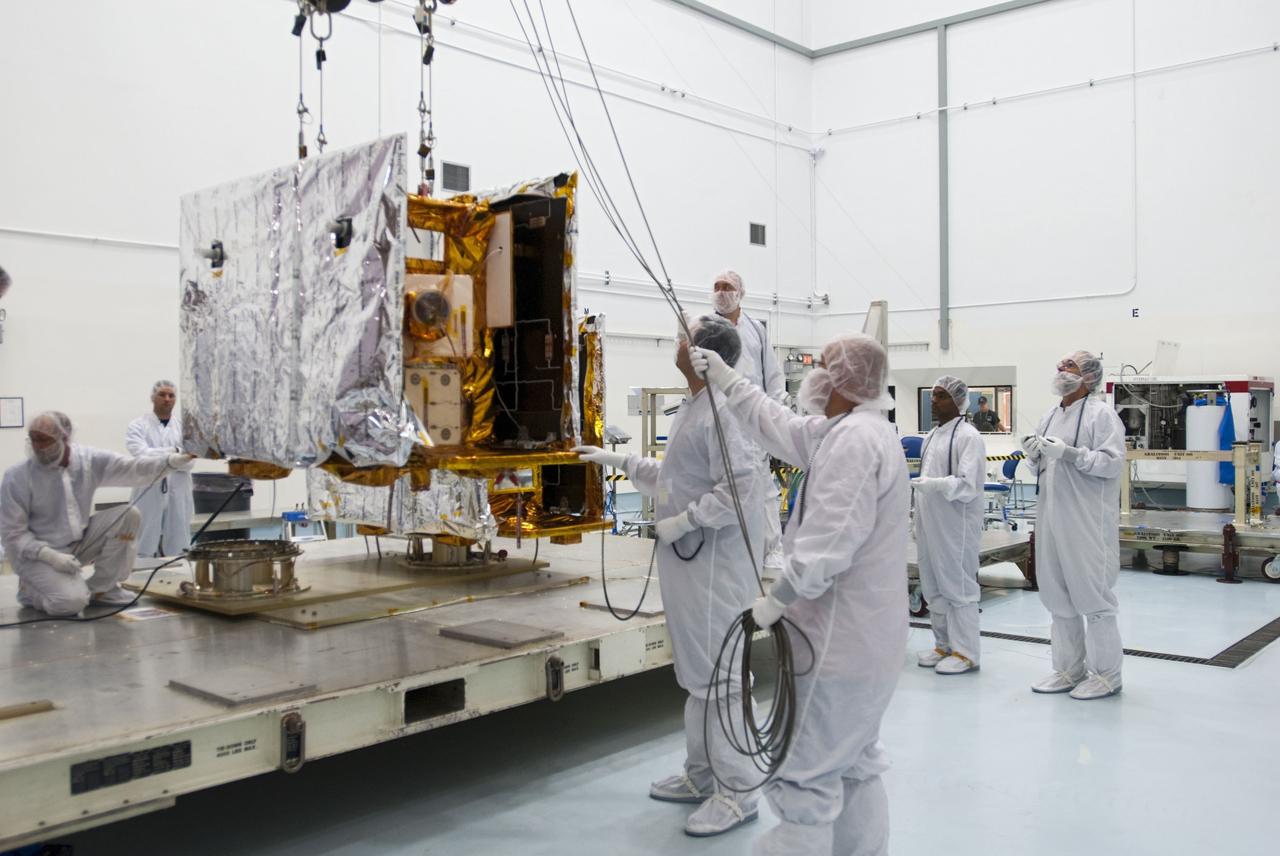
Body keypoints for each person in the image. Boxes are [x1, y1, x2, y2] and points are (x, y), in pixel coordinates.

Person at [690, 332, 907, 856]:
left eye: (823, 366)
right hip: (868, 641)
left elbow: (829, 545)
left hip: (839, 640)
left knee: (804, 777)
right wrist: (726, 377)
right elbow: (779, 425)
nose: (814, 373)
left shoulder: (855, 441)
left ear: (843, 381)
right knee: (854, 764)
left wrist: (777, 599)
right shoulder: (849, 431)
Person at [575, 315, 767, 838]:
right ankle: (703, 775)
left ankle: (740, 793)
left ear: (705, 356)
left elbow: (741, 491)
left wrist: (684, 521)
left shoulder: (725, 413)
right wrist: (618, 459)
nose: (678, 342)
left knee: (721, 678)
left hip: (716, 565)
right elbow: (675, 476)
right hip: (691, 561)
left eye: (687, 335)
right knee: (698, 674)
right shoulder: (696, 408)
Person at [0, 411, 194, 616]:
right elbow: (13, 534)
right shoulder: (18, 477)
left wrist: (171, 461)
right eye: (34, 439)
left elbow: (131, 468)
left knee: (128, 515)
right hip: (37, 556)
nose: (37, 446)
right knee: (69, 604)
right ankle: (30, 592)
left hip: (78, 543)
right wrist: (49, 555)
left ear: (64, 438)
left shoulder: (86, 461)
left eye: (44, 440)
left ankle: (102, 589)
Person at [1021, 351, 1126, 700]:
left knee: (1092, 596)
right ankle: (1068, 669)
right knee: (1057, 596)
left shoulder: (1102, 415)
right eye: (1060, 364)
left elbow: (1111, 464)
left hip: (1086, 520)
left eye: (1070, 366)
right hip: (1051, 515)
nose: (1061, 369)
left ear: (1089, 377)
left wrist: (1070, 453)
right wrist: (1033, 454)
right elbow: (1041, 469)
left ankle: (1107, 675)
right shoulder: (1051, 415)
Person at [711, 270, 787, 572]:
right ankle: (726, 552)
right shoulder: (704, 327)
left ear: (740, 292)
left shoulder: (756, 329)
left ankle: (772, 549)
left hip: (752, 418)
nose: (721, 292)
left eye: (727, 287)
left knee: (763, 487)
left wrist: (775, 411)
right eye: (716, 287)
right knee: (719, 484)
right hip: (718, 418)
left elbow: (772, 373)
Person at [912, 376, 986, 675]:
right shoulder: (931, 436)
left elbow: (969, 485)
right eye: (933, 395)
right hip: (930, 522)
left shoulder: (969, 436)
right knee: (933, 587)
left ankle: (966, 652)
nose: (933, 400)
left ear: (957, 401)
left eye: (941, 396)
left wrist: (936, 485)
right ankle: (943, 645)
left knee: (959, 588)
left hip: (956, 526)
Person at [127, 380, 195, 557]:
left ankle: (179, 573)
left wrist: (159, 456)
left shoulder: (185, 428)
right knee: (144, 534)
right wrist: (175, 453)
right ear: (153, 398)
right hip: (148, 487)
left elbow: (190, 461)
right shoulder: (138, 426)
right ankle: (140, 573)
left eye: (171, 395)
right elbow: (141, 456)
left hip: (178, 488)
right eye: (162, 395)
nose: (167, 399)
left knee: (179, 534)